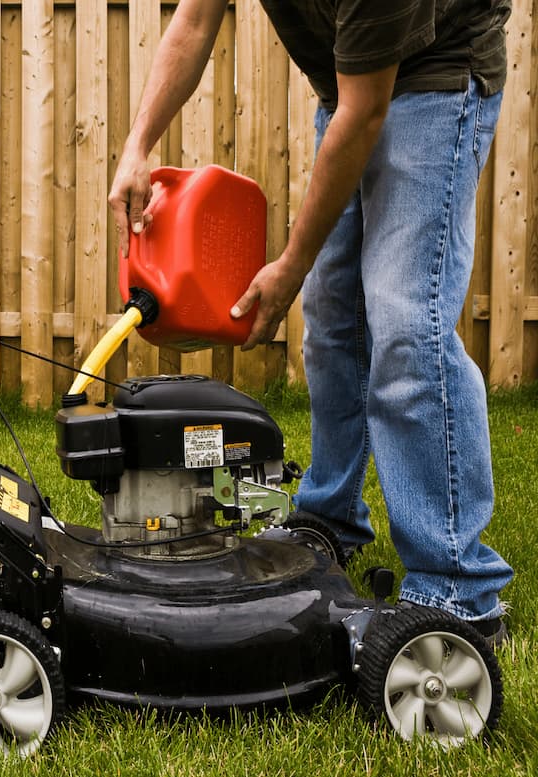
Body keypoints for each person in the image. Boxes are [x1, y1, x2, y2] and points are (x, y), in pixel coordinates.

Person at [108, 0, 513, 644]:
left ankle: (458, 585)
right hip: (349, 90)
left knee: (407, 320)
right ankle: (332, 517)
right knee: (332, 320)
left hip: (437, 81)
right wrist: (138, 146)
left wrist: (292, 264)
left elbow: (365, 111)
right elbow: (192, 21)